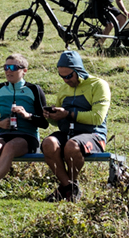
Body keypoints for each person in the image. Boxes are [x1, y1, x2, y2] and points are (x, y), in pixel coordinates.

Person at [0, 53, 47, 198]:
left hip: (27, 137)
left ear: (24, 70)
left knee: (10, 147)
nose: (8, 71)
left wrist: (27, 116)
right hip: (4, 134)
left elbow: (44, 123)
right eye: (6, 67)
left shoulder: (34, 90)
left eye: (13, 67)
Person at [40, 49, 110, 202]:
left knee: (71, 146)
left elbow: (97, 118)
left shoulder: (98, 85)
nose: (66, 80)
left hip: (94, 134)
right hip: (68, 133)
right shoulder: (64, 88)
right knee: (48, 143)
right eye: (62, 76)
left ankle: (66, 189)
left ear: (79, 70)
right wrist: (51, 117)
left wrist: (68, 114)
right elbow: (59, 120)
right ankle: (69, 188)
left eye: (69, 76)